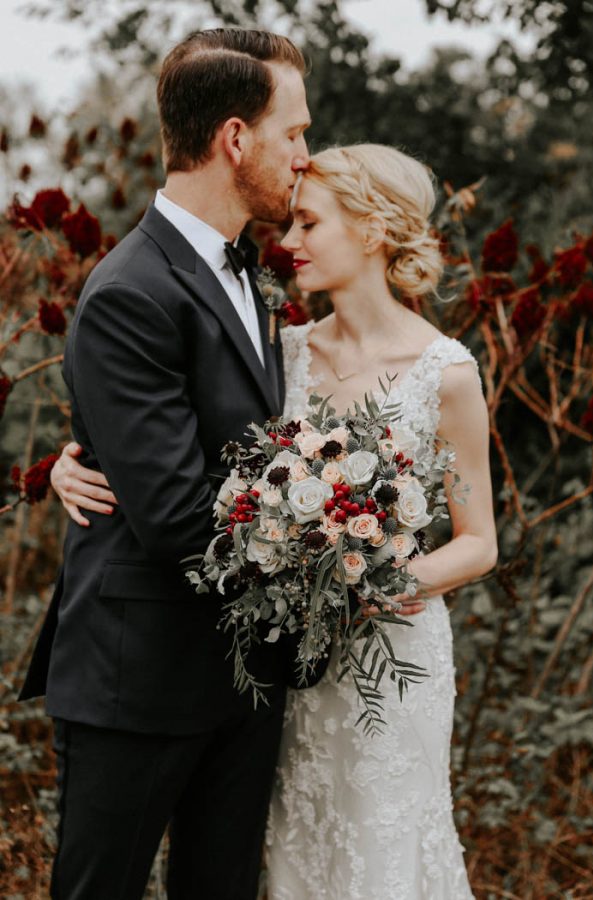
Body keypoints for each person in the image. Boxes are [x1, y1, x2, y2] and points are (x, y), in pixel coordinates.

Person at [53, 142, 497, 897]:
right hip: (282, 658)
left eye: (307, 224)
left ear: (372, 230)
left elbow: (479, 541)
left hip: (392, 655)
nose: (286, 243)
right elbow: (182, 443)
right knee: (293, 852)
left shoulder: (446, 372)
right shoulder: (280, 350)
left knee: (382, 848)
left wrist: (374, 576)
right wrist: (78, 459)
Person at [18, 27, 316, 900]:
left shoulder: (247, 275)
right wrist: (340, 563)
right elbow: (181, 517)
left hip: (241, 676)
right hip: (137, 681)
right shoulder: (129, 293)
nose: (304, 153)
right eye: (293, 132)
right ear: (235, 138)